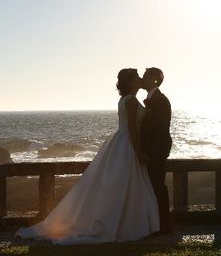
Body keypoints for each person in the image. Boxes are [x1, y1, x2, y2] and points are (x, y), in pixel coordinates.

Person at [16, 69, 159, 244]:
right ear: (130, 82)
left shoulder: (125, 99)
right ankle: (123, 224)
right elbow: (131, 129)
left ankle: (123, 223)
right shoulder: (130, 101)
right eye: (137, 78)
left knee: (123, 184)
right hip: (127, 143)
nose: (140, 80)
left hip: (121, 142)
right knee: (124, 184)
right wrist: (138, 152)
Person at [140, 67, 173, 233]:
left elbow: (159, 130)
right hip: (153, 151)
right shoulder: (152, 98)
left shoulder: (160, 100)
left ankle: (164, 224)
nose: (141, 78)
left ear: (153, 79)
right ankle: (155, 222)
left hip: (156, 152)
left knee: (158, 186)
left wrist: (149, 153)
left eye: (144, 76)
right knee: (153, 186)